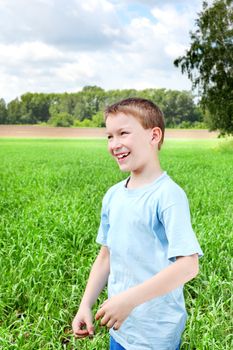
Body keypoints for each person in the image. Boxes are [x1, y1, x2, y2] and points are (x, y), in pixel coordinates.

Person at [72, 98, 203, 350]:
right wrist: (85, 304)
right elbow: (105, 257)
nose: (114, 144)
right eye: (109, 136)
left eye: (123, 133)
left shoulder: (167, 195)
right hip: (121, 328)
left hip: (155, 333)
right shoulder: (113, 195)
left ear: (154, 136)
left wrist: (129, 300)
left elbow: (189, 265)